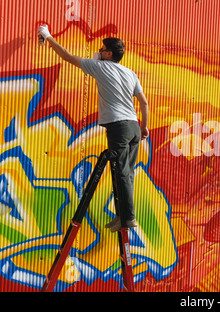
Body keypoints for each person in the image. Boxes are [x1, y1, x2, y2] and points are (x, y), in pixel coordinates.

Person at [38, 25, 149, 233]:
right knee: (127, 173)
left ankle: (128, 218)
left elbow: (67, 56)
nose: (98, 49)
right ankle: (122, 216)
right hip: (133, 126)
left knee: (122, 173)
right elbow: (144, 102)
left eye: (102, 48)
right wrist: (144, 127)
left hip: (119, 127)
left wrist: (48, 36)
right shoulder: (130, 73)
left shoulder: (100, 67)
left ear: (108, 53)